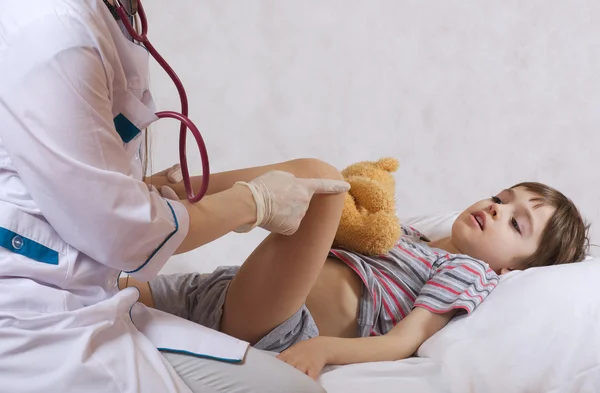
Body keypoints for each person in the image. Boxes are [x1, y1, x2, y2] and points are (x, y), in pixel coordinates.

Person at [0, 1, 350, 392]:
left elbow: (63, 177)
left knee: (321, 180)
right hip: (40, 310)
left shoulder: (101, 19)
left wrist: (138, 188)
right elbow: (122, 232)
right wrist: (253, 202)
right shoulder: (53, 31)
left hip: (97, 283)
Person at [125, 181, 589, 380]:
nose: (496, 209)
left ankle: (171, 199)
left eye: (516, 223)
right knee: (115, 290)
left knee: (325, 187)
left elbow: (403, 342)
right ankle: (165, 197)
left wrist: (324, 349)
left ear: (513, 271)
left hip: (278, 327)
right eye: (500, 197)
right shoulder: (408, 233)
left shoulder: (469, 273)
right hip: (229, 288)